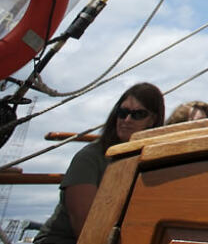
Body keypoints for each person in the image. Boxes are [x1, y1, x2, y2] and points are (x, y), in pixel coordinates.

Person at [34, 82, 164, 244]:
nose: (127, 120)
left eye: (137, 114)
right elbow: (86, 229)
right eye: (122, 112)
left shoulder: (153, 163)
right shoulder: (89, 158)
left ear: (152, 120)